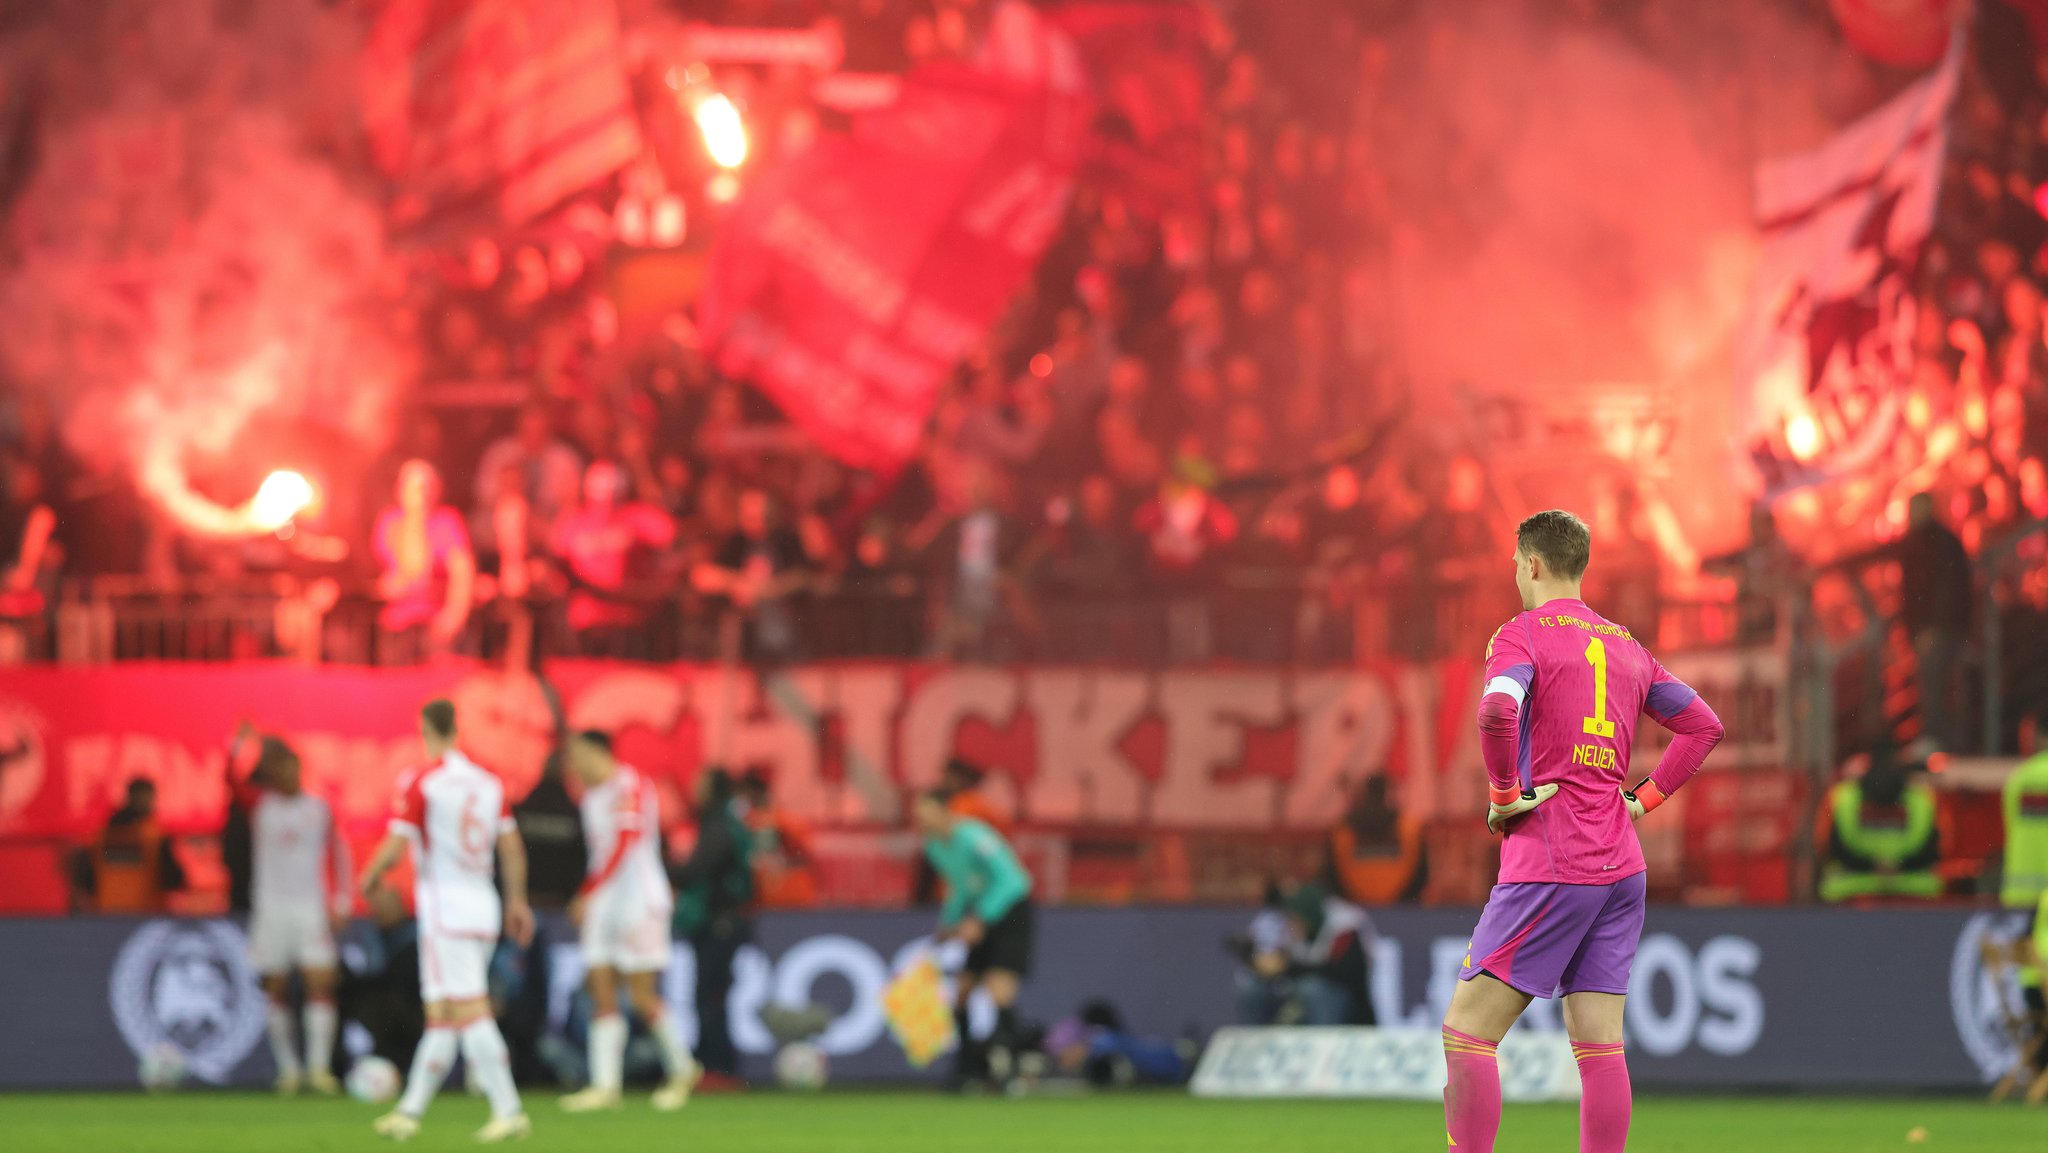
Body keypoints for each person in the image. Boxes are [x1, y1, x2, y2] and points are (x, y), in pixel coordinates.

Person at [1445, 509, 1724, 1153]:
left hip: (1551, 858)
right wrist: (1642, 801)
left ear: (1533, 564)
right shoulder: (1626, 647)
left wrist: (1504, 796)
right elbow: (1703, 726)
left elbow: (1496, 710)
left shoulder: (1522, 636)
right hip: (1621, 869)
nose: (1516, 575)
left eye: (1517, 564)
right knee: (1600, 1045)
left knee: (1467, 1034)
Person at [357, 699, 534, 1143]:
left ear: (425, 728)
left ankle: (508, 1109)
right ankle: (410, 1112)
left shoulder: (423, 781)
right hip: (483, 906)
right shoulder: (489, 783)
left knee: (470, 1011)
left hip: (445, 910)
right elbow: (511, 849)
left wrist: (370, 876)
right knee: (443, 1016)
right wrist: (516, 901)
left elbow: (398, 843)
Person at [556, 731, 697, 1112]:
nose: (573, 765)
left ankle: (683, 1070)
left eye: (576, 755)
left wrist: (588, 891)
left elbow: (626, 838)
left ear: (597, 752)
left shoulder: (629, 784)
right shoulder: (590, 796)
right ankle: (605, 1086)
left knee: (641, 995)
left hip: (638, 900)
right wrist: (595, 895)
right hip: (605, 903)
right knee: (600, 989)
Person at [243, 736, 352, 1096]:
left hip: (310, 907)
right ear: (272, 772)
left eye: (294, 767)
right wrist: (244, 744)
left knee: (320, 981)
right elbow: (231, 781)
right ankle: (288, 1070)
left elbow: (340, 854)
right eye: (281, 768)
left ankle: (318, 1070)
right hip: (270, 907)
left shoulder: (319, 809)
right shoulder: (260, 806)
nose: (288, 774)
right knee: (274, 986)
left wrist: (342, 900)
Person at [914, 788, 1034, 1088]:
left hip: (1011, 910)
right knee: (963, 990)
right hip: (981, 913)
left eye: (928, 815)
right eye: (919, 817)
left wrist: (980, 918)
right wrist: (950, 923)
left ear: (947, 812)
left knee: (999, 989)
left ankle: (1012, 1068)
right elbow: (959, 887)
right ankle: (967, 1069)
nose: (923, 822)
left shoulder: (975, 837)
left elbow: (1011, 879)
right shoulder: (934, 847)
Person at [669, 768, 754, 1089]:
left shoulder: (719, 826)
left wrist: (656, 865)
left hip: (719, 924)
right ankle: (712, 1065)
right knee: (709, 995)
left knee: (709, 996)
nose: (694, 788)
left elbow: (695, 870)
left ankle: (718, 1069)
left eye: (700, 784)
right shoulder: (724, 822)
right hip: (723, 922)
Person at [550, 461, 677, 656]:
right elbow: (558, 566)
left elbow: (668, 534)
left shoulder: (635, 516)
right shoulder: (572, 523)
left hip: (629, 619)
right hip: (587, 620)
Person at [372, 460, 476, 662]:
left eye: (429, 487)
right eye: (416, 487)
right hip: (397, 624)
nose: (423, 493)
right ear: (400, 490)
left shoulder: (447, 521)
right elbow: (390, 575)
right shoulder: (390, 522)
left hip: (435, 623)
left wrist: (455, 614)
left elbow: (463, 572)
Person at [693, 488, 813, 661]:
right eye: (750, 517)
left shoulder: (787, 540)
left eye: (762, 516)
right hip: (744, 637)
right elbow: (703, 576)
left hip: (784, 633)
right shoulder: (736, 542)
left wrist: (760, 589)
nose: (757, 523)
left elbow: (801, 577)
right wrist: (735, 583)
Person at [1897, 492, 1974, 751]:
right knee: (1944, 690)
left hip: (1936, 631)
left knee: (1933, 690)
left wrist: (1930, 627)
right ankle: (1948, 745)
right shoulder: (1940, 540)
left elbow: (1944, 587)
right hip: (1942, 629)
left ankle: (1936, 745)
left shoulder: (1930, 543)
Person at [1817, 746, 1943, 903]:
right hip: (1914, 891)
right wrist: (1896, 866)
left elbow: (1827, 846)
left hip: (1849, 891)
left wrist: (1871, 866)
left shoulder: (1841, 797)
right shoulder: (1923, 798)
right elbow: (1935, 850)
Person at [1325, 774, 1427, 906]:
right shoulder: (1408, 827)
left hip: (1355, 907)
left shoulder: (1343, 829)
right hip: (1401, 908)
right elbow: (1421, 874)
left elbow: (1332, 875)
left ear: (1364, 795)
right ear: (1388, 794)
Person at [88, 778, 186, 913]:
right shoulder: (153, 835)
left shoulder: (104, 835)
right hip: (144, 915)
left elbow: (86, 878)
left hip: (107, 913)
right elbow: (173, 878)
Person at [513, 747, 586, 911]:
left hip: (528, 902)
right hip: (559, 905)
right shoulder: (576, 813)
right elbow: (582, 861)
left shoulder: (523, 809)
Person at [740, 770, 820, 909]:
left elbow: (806, 852)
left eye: (745, 795)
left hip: (792, 899)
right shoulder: (746, 823)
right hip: (764, 900)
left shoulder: (783, 820)